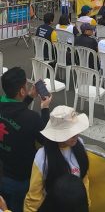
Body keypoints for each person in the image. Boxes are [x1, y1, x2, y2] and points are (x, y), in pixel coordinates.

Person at [0, 68, 52, 212]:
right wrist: (45, 108)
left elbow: (14, 112)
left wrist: (29, 97)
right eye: (26, 85)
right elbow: (47, 139)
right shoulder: (31, 118)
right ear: (21, 91)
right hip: (20, 179)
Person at [24, 106, 90, 212]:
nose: (76, 135)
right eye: (70, 132)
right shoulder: (42, 157)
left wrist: (86, 204)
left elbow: (84, 179)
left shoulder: (80, 144)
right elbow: (34, 197)